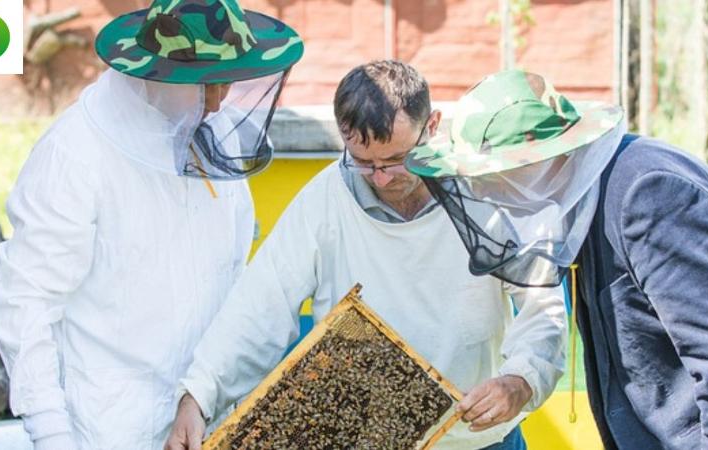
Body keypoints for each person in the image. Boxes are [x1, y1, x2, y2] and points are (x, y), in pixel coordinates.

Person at [164, 60, 567, 450]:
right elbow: (260, 306)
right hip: (363, 437)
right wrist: (198, 396)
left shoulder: (487, 190)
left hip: (480, 440)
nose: (381, 178)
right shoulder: (323, 201)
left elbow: (540, 305)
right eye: (364, 163)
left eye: (396, 159)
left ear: (433, 125)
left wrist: (520, 381)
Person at [0, 1, 303, 449]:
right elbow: (25, 302)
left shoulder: (217, 141)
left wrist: (209, 393)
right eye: (205, 87)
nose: (217, 103)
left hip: (205, 417)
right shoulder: (75, 155)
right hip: (109, 428)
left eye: (226, 83)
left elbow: (230, 276)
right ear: (154, 76)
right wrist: (51, 432)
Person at [405, 69, 708, 449]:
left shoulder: (649, 195)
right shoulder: (587, 199)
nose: (484, 195)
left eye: (489, 178)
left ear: (533, 164)